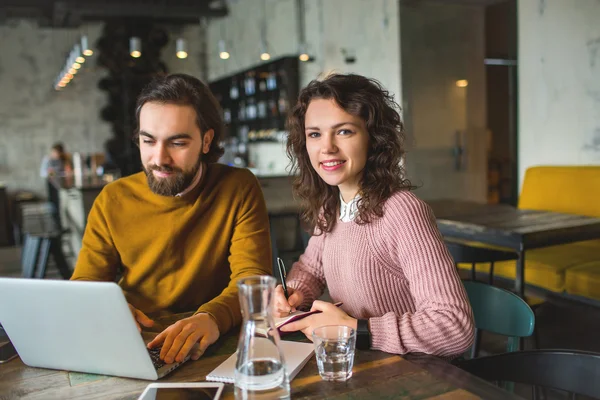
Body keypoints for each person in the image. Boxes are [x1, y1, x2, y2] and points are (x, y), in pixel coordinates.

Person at [71, 74, 272, 364]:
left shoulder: (238, 186)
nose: (159, 158)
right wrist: (106, 308)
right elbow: (87, 281)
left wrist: (210, 318)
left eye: (177, 143)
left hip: (212, 336)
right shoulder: (112, 198)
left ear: (206, 140)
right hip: (138, 339)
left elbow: (252, 278)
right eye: (148, 141)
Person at [273, 74, 474, 358]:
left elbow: (454, 327)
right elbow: (311, 269)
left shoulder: (402, 211)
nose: (327, 147)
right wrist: (293, 293)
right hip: (361, 366)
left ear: (373, 138)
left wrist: (356, 329)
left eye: (344, 131)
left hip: (416, 378)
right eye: (315, 134)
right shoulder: (331, 206)